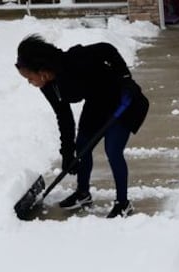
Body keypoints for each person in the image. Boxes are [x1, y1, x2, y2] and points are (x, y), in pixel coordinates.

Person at [15, 34, 149, 218]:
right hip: (97, 103)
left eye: (29, 78)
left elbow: (106, 48)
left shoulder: (75, 59)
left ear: (42, 71)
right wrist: (67, 152)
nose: (30, 83)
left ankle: (123, 204)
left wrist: (126, 78)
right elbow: (64, 116)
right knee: (82, 146)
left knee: (113, 150)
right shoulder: (49, 86)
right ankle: (83, 193)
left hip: (122, 100)